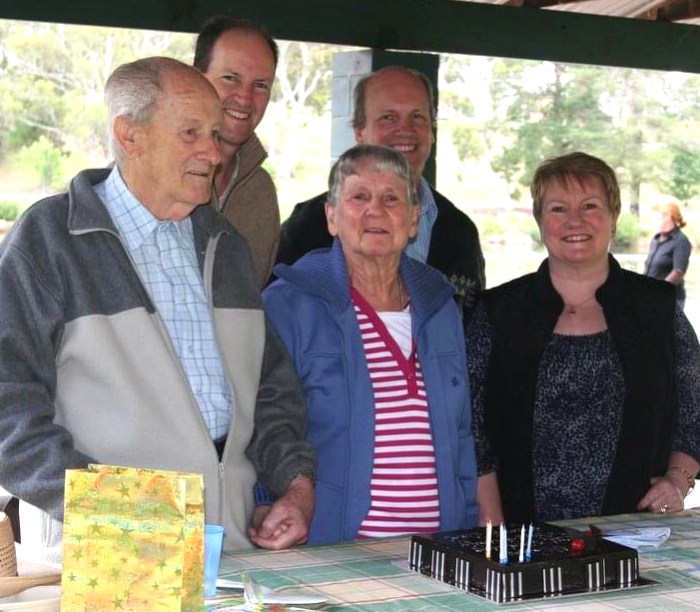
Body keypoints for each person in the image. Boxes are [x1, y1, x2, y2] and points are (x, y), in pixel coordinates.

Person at [0, 57, 314, 563]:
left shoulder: (226, 245)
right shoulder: (51, 240)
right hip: (103, 557)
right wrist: (113, 511)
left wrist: (295, 484)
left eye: (214, 134)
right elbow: (7, 404)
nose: (213, 152)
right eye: (191, 133)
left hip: (229, 551)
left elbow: (270, 389)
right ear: (130, 136)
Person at [468, 152, 700, 526]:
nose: (574, 220)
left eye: (590, 206)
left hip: (637, 533)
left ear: (614, 217)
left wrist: (678, 480)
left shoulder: (658, 309)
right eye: (558, 208)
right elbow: (470, 426)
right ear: (540, 220)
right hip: (520, 535)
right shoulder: (497, 312)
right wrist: (494, 526)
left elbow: (694, 410)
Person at [263, 144, 478, 544]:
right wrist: (274, 501)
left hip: (436, 549)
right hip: (335, 547)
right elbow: (269, 421)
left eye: (391, 199)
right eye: (359, 197)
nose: (375, 211)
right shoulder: (289, 304)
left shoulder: (441, 307)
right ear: (332, 216)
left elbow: (462, 433)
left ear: (413, 220)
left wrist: (467, 527)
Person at [276, 66, 485, 311]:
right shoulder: (308, 225)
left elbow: (473, 325)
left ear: (432, 131)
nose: (405, 130)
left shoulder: (460, 231)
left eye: (417, 117)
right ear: (359, 131)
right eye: (388, 118)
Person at [194, 15, 280, 286]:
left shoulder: (261, 192)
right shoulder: (149, 176)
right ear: (195, 79)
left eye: (260, 85)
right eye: (230, 78)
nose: (244, 98)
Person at [644, 200, 692, 309]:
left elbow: (678, 272)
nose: (654, 221)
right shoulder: (656, 240)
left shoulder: (681, 241)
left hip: (671, 300)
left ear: (669, 217)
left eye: (658, 217)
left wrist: (659, 291)